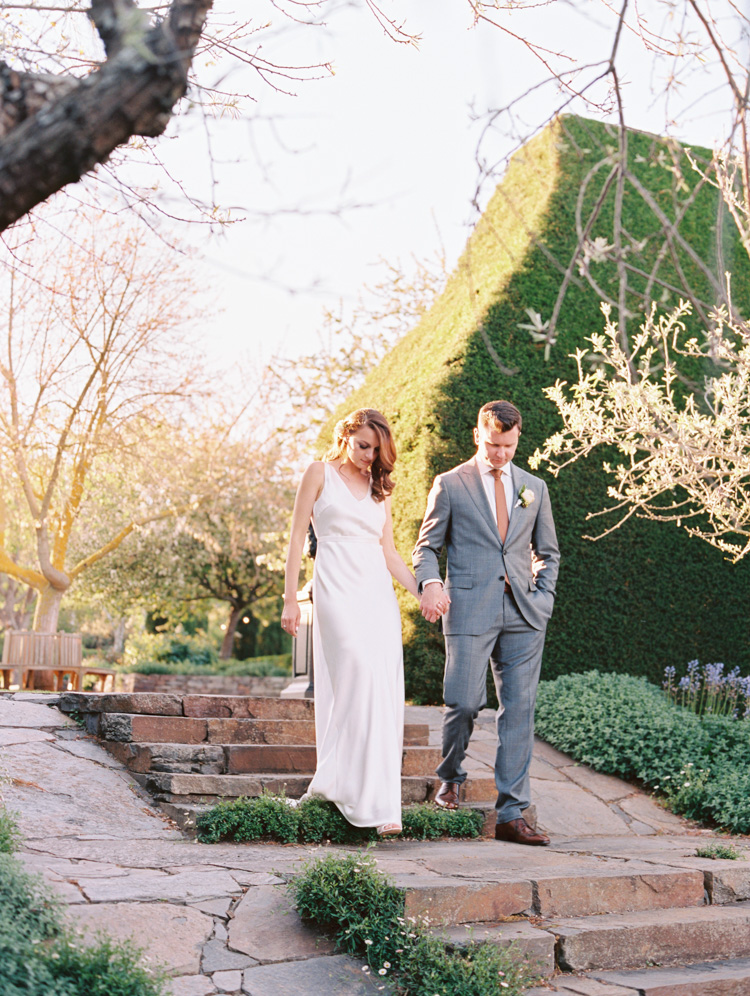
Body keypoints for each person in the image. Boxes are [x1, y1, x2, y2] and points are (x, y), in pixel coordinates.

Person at [413, 400, 560, 846]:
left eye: (509, 446)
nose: (500, 454)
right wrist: (432, 584)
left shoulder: (534, 486)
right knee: (463, 701)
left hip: (523, 613)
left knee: (518, 710)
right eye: (494, 445)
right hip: (468, 608)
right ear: (479, 435)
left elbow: (548, 553)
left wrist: (543, 596)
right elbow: (426, 547)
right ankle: (451, 775)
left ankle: (512, 813)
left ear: (518, 440)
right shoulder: (451, 484)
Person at [281, 408, 432, 836]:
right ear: (346, 436)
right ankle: (337, 784)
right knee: (355, 676)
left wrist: (420, 591)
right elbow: (295, 538)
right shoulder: (318, 473)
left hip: (375, 595)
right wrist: (290, 599)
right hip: (333, 589)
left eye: (377, 450)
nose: (369, 456)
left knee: (380, 688)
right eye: (363, 446)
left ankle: (377, 803)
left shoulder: (379, 488)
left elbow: (390, 553)